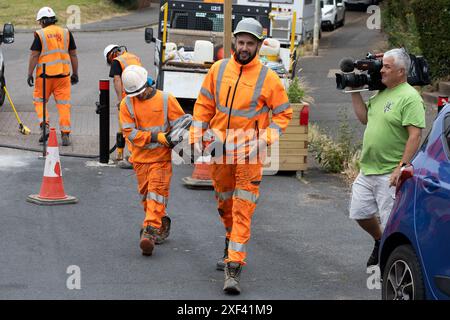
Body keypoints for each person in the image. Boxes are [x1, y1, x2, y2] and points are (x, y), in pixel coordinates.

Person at [189, 18, 292, 294]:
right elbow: (203, 106)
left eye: (250, 43)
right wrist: (196, 136)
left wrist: (264, 139)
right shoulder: (218, 69)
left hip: (249, 155)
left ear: (258, 45)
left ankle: (233, 267)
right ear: (234, 41)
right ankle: (229, 239)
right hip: (220, 150)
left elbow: (283, 113)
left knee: (242, 208)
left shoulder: (268, 78)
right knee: (224, 203)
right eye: (241, 42)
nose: (244, 47)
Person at [349, 48, 425, 267]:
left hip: (389, 173)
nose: (381, 70)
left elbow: (415, 135)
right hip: (368, 169)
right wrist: (354, 92)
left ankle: (392, 265)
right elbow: (365, 118)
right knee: (360, 213)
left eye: (387, 67)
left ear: (401, 72)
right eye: (383, 66)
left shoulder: (410, 98)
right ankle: (379, 240)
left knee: (393, 223)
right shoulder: (381, 93)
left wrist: (400, 168)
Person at [120, 65, 185, 256]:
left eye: (141, 92)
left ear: (148, 83)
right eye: (135, 95)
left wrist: (176, 140)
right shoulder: (127, 104)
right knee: (147, 198)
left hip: (161, 159)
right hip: (140, 159)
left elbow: (181, 125)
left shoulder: (166, 100)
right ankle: (160, 222)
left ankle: (148, 231)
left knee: (156, 193)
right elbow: (129, 133)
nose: (139, 97)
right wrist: (157, 137)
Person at [27, 7, 78, 146]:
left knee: (39, 100)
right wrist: (75, 73)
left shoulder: (41, 34)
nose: (40, 25)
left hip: (45, 77)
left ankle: (45, 126)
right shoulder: (66, 33)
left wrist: (29, 73)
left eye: (40, 22)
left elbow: (34, 55)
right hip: (63, 76)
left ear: (43, 21)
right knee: (63, 105)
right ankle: (65, 134)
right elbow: (73, 54)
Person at [104, 44, 143, 169]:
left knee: (127, 128)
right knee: (139, 126)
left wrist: (120, 100)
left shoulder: (117, 61)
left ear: (111, 55)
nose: (111, 63)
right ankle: (138, 155)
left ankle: (134, 158)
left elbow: (117, 80)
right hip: (141, 93)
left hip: (129, 97)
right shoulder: (134, 57)